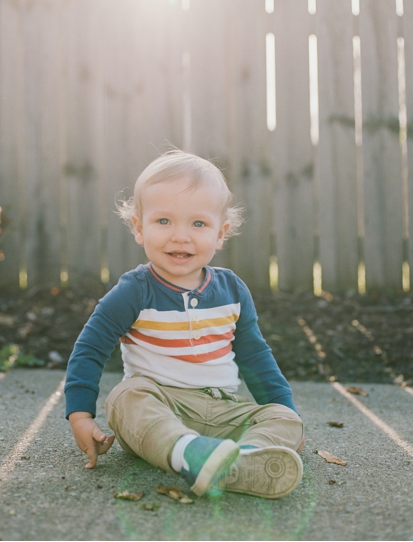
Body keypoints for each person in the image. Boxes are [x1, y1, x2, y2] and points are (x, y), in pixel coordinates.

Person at [64, 149, 304, 499]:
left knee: (285, 419)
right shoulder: (134, 290)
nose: (180, 236)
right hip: (159, 407)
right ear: (138, 228)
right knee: (125, 398)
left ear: (220, 234)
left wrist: (286, 411)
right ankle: (187, 452)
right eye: (164, 221)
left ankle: (245, 460)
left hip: (223, 408)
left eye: (198, 224)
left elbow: (256, 357)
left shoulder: (232, 290)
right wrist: (80, 414)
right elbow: (90, 348)